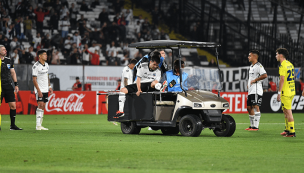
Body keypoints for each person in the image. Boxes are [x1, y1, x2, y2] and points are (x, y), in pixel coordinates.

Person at [115, 53, 161, 118]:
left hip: (149, 85)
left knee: (155, 83)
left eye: (157, 65)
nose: (155, 66)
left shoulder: (158, 71)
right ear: (150, 62)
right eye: (154, 64)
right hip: (139, 84)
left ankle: (161, 88)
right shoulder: (142, 66)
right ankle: (121, 111)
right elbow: (138, 79)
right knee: (122, 90)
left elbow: (156, 81)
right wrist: (139, 90)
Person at [0, 45, 23, 130]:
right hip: (0, 86)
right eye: (3, 49)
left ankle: (12, 125)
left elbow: (13, 72)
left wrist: (16, 84)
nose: (5, 51)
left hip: (8, 85)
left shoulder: (9, 60)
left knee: (13, 106)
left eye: (5, 49)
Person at [245, 50, 267, 131]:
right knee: (249, 107)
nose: (248, 57)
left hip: (256, 90)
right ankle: (251, 126)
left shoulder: (259, 66)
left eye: (249, 56)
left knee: (255, 106)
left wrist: (255, 80)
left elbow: (265, 75)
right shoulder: (251, 67)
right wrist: (249, 84)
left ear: (254, 56)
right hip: (251, 90)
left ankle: (256, 127)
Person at [276, 48, 296, 137]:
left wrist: (279, 92)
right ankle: (287, 129)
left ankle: (292, 132)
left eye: (276, 54)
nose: (276, 56)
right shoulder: (290, 64)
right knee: (285, 111)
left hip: (286, 92)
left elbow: (282, 79)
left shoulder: (283, 66)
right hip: (291, 90)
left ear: (280, 55)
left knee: (288, 111)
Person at [32, 50, 53, 130]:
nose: (46, 56)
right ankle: (37, 125)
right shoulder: (36, 66)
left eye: (46, 54)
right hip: (39, 89)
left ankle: (40, 124)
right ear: (39, 56)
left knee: (43, 106)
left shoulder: (47, 65)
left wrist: (50, 87)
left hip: (45, 89)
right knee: (40, 105)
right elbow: (34, 80)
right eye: (44, 54)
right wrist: (39, 91)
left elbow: (47, 77)